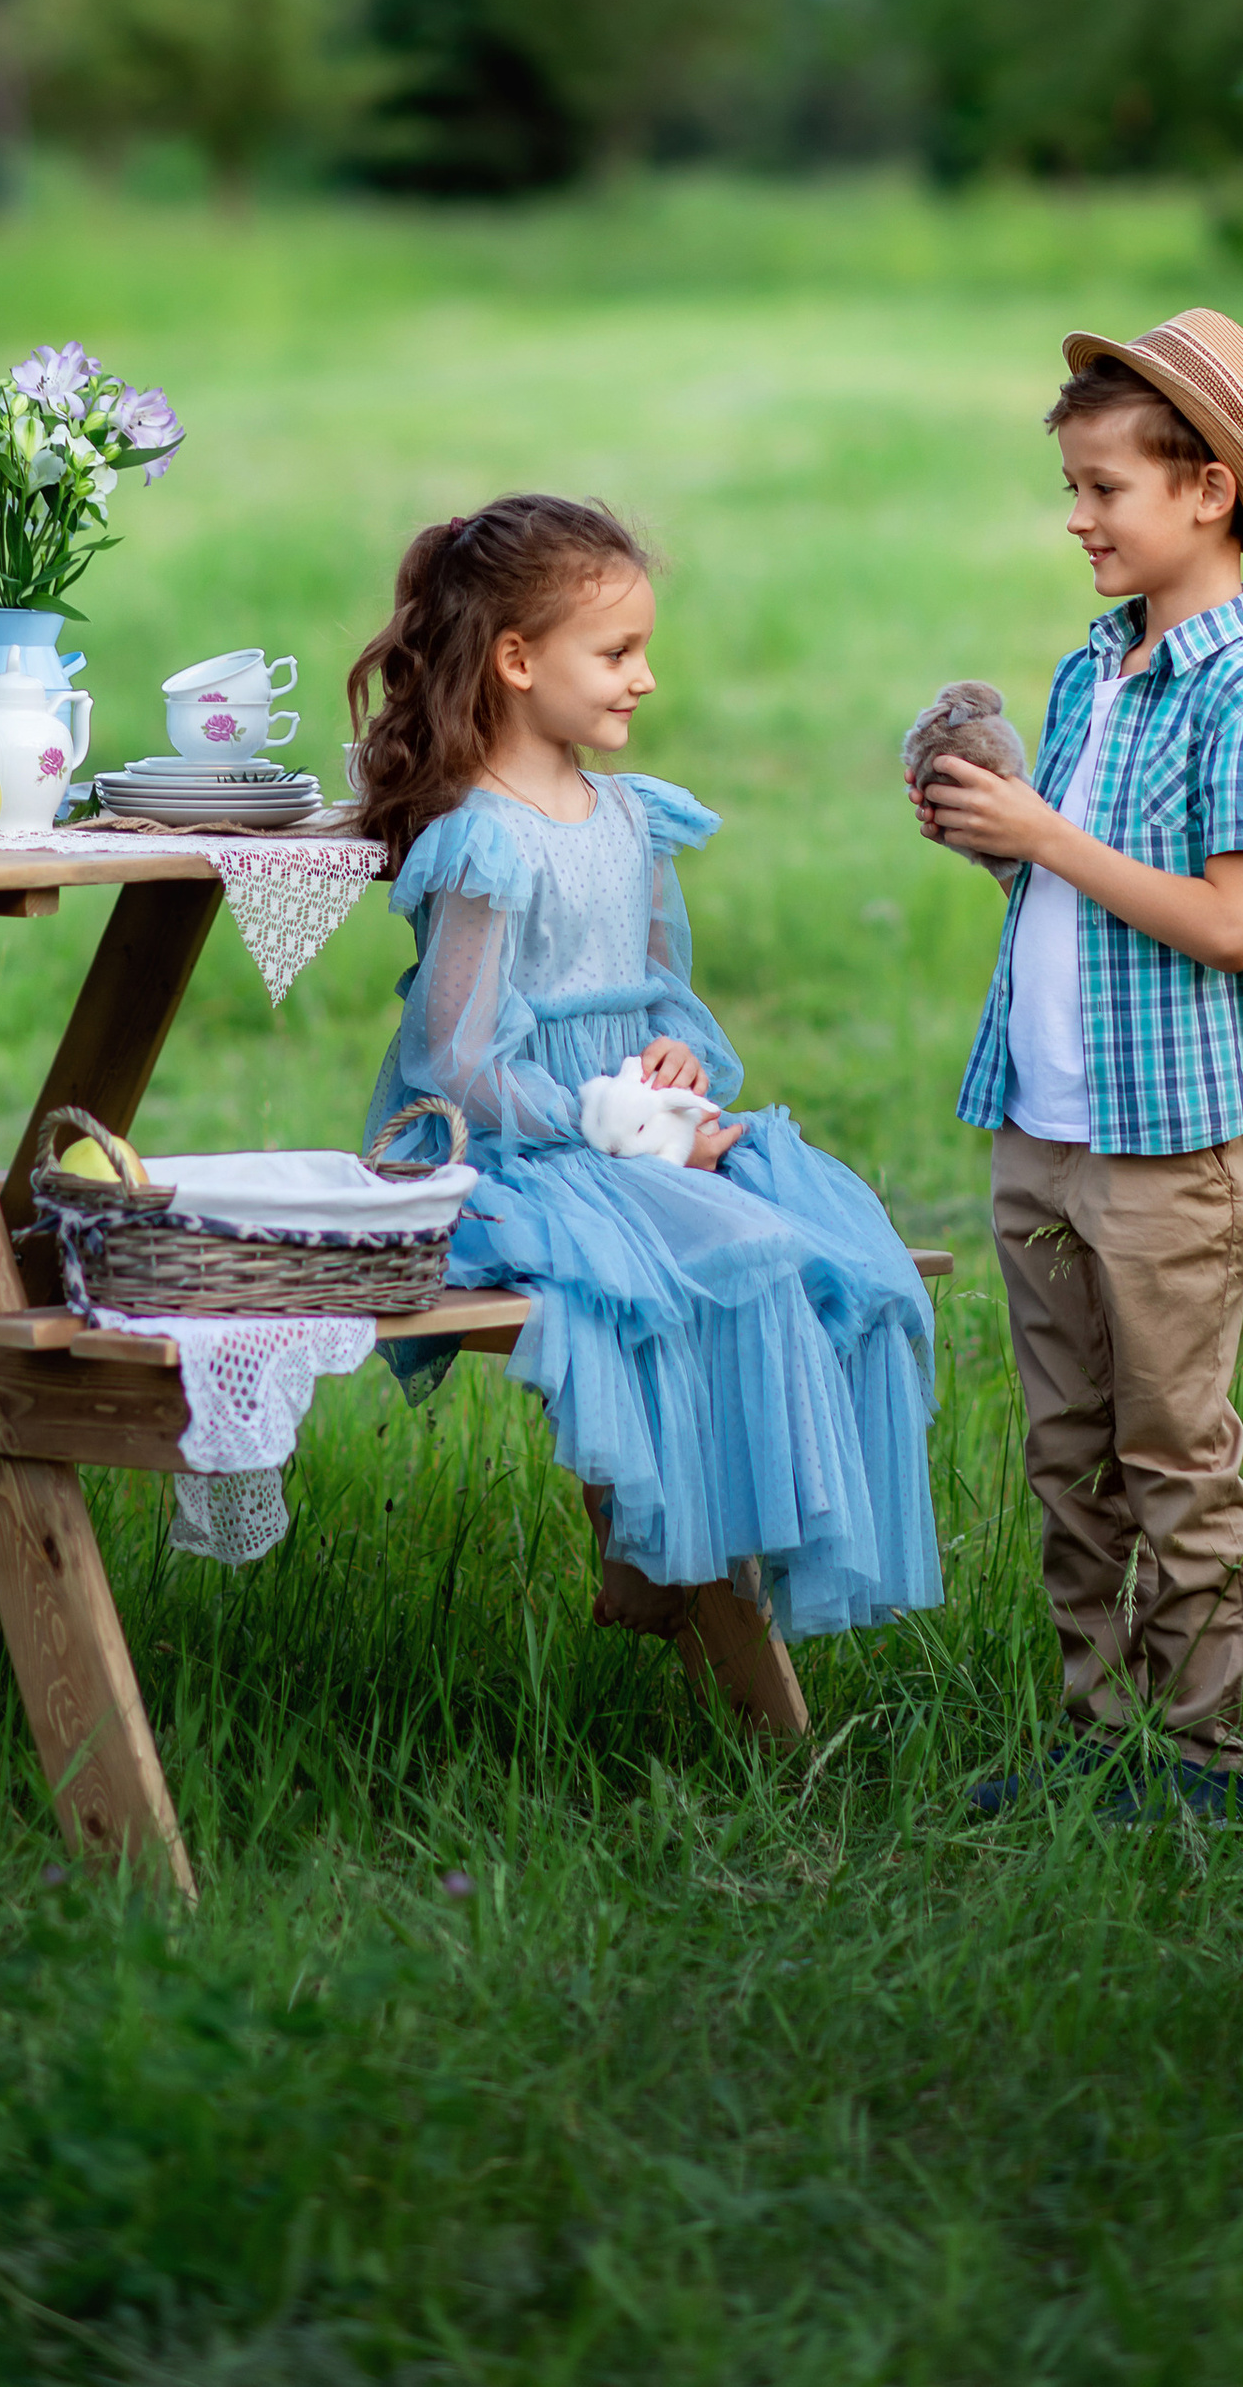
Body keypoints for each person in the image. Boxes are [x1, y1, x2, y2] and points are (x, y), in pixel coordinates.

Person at [349, 493, 941, 1685]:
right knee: (729, 1254)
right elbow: (455, 1059)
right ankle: (651, 1544)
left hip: (635, 1132)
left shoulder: (630, 817)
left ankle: (707, 1553)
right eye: (617, 653)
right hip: (523, 1149)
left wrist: (679, 1071)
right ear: (517, 661)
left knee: (844, 1252)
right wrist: (599, 1120)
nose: (645, 678)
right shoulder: (485, 839)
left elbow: (664, 1002)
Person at [912, 310, 1243, 1820]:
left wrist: (1047, 834)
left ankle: (1200, 1758)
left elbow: (1225, 922)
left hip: (1164, 1141)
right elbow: (1079, 890)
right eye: (1071, 488)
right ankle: (1098, 1738)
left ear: (1208, 493)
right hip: (1042, 1120)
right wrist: (996, 837)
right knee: (1067, 1453)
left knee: (1171, 1453)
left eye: (1105, 489)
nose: (1077, 518)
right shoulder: (1093, 669)